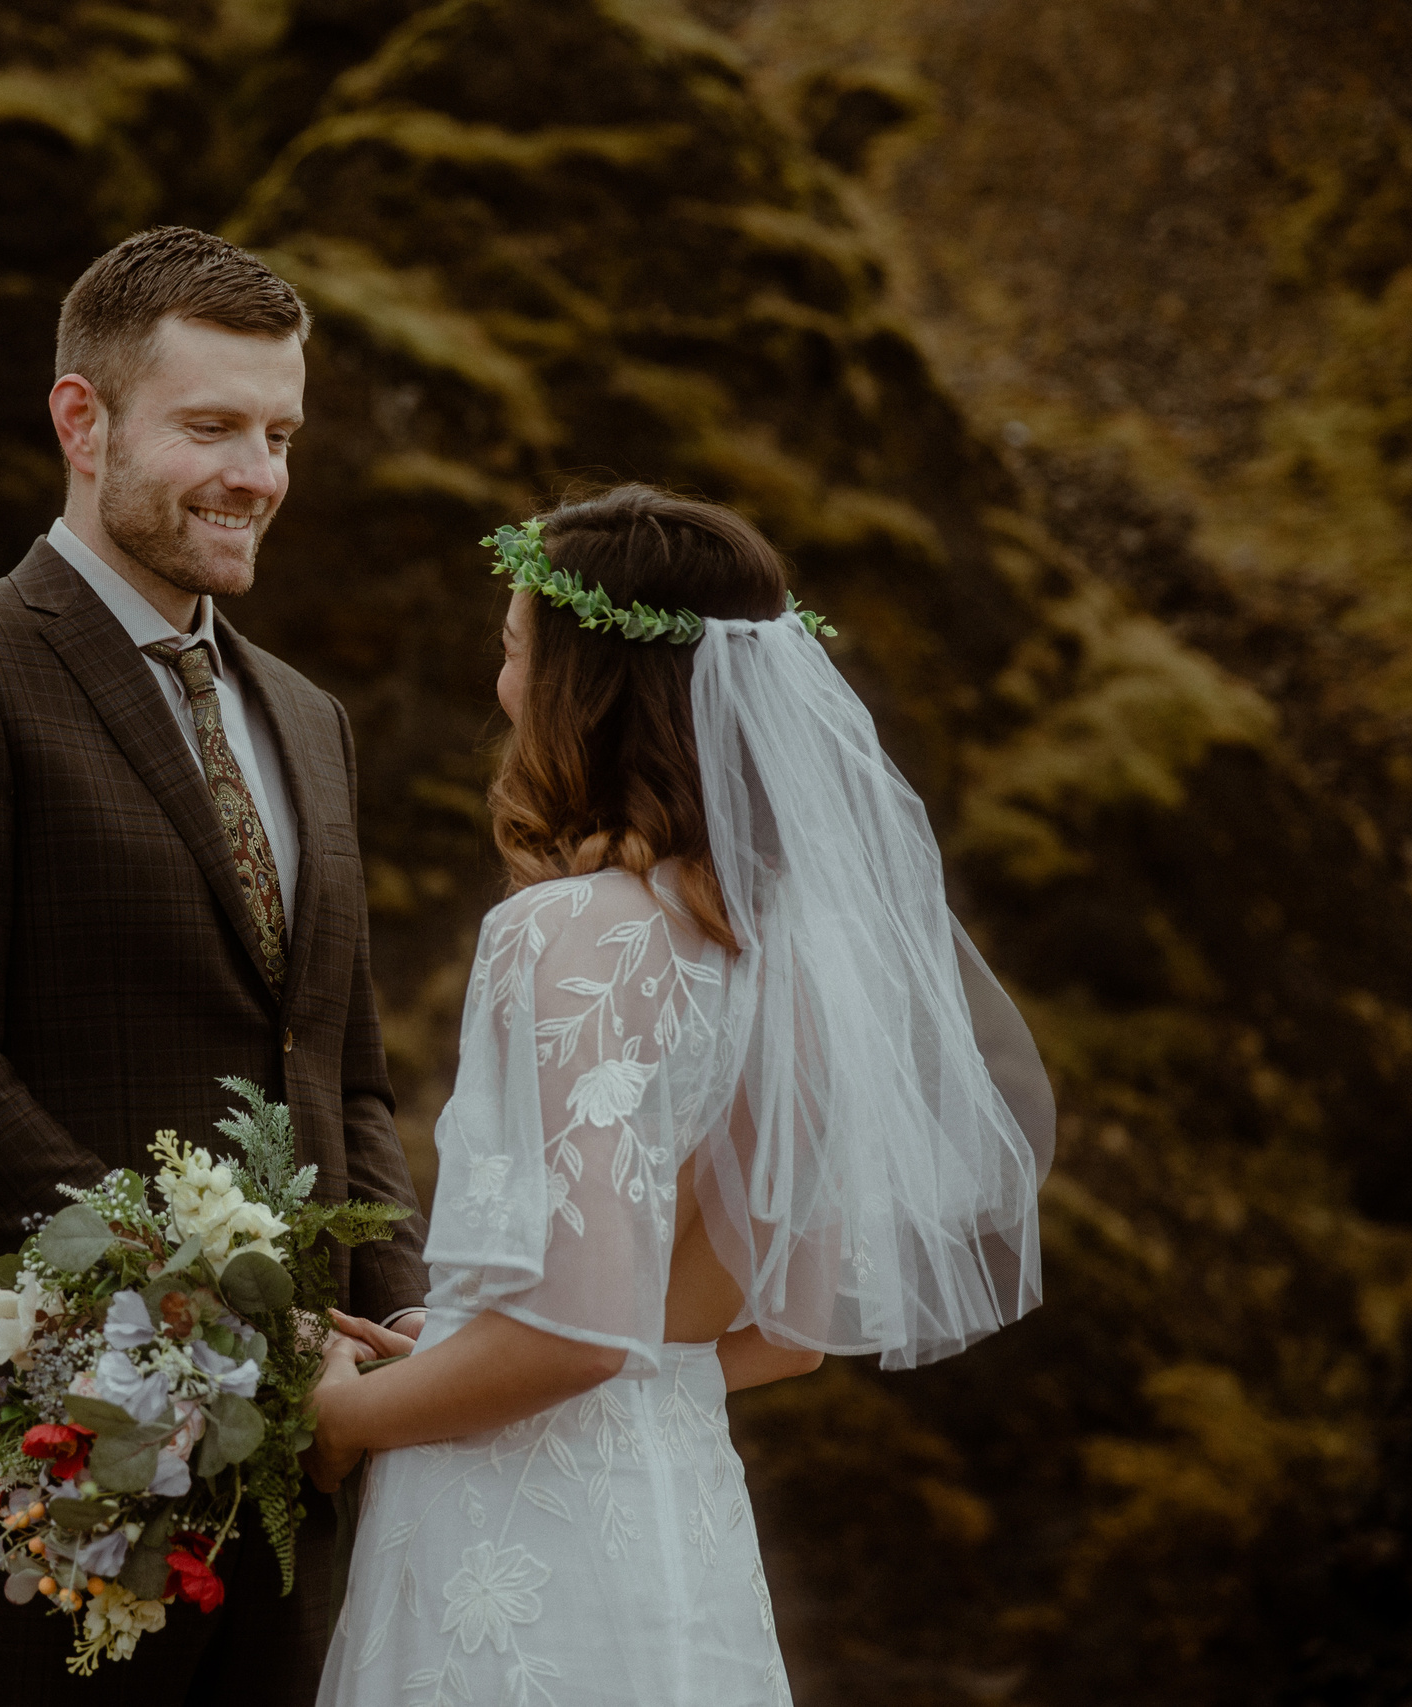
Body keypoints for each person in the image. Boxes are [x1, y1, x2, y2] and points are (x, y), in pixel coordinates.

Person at [305, 486, 1056, 1707]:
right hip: (680, 1525)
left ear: (576, 690)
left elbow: (572, 1338)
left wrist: (349, 1415)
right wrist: (456, 1350)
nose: (499, 687)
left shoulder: (562, 933)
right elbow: (785, 1334)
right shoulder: (795, 961)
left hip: (513, 1531)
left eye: (511, 653)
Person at [0, 226, 433, 1706]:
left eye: (280, 432)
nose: (259, 473)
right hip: (52, 1447)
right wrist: (208, 1307)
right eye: (212, 425)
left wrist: (398, 1316)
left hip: (310, 1456)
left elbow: (341, 1063)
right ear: (81, 421)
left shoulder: (308, 715)